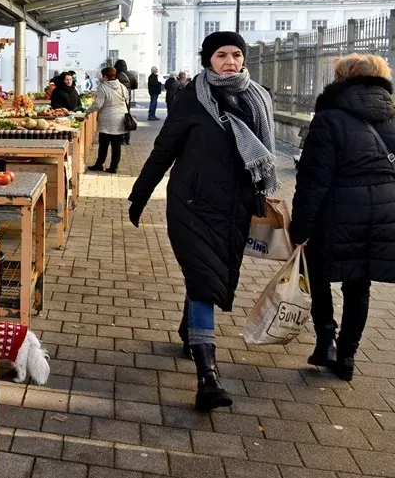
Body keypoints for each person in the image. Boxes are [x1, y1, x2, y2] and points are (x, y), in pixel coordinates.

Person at [128, 32, 277, 411]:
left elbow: (263, 159)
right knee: (204, 282)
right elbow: (164, 149)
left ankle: (188, 329)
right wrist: (140, 194)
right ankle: (207, 376)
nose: (230, 61)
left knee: (208, 277)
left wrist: (262, 195)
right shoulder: (192, 98)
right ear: (208, 59)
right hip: (191, 204)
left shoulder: (258, 98)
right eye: (221, 55)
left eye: (236, 54)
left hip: (235, 209)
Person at [289, 54, 395, 381]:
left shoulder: (329, 119)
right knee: (359, 282)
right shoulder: (392, 116)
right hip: (384, 211)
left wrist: (300, 227)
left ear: (342, 79)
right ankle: (348, 354)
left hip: (336, 211)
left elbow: (313, 180)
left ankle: (326, 339)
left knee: (317, 272)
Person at [84, 67, 129, 173]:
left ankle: (99, 164)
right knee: (116, 146)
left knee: (103, 145)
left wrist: (86, 112)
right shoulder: (122, 86)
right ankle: (114, 167)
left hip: (107, 120)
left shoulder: (103, 87)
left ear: (105, 76)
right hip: (120, 119)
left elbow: (97, 104)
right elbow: (126, 99)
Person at [114, 59, 139, 144]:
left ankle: (120, 138)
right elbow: (135, 85)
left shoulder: (115, 75)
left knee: (118, 118)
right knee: (127, 117)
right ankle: (127, 139)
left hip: (117, 99)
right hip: (127, 99)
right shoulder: (130, 75)